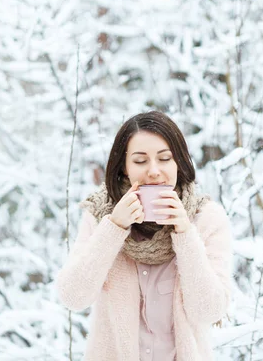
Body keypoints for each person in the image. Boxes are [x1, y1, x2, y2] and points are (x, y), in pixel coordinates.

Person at [56, 111, 232, 361]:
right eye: (140, 161)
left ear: (178, 163)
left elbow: (209, 311)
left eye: (164, 159)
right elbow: (73, 296)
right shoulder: (101, 218)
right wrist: (114, 227)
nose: (153, 172)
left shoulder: (205, 219)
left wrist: (184, 233)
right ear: (124, 168)